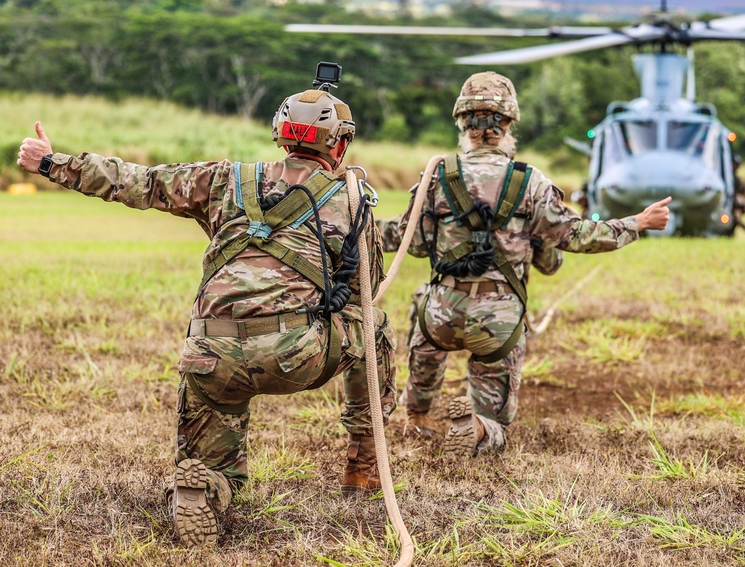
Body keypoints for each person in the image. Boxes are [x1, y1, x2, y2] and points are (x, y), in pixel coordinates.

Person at [16, 83, 397, 548]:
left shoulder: (225, 178)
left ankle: (205, 485)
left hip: (211, 355)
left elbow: (141, 182)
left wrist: (52, 163)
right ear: (339, 144)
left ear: (280, 133)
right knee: (374, 325)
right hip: (296, 354)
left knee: (215, 453)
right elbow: (366, 289)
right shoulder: (354, 199)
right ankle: (363, 462)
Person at [379, 71, 671, 458]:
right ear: (507, 124)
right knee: (495, 414)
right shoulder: (530, 181)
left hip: (442, 315)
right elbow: (574, 236)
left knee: (424, 303)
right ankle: (482, 426)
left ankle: (417, 417)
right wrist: (638, 223)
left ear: (462, 124)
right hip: (497, 321)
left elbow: (409, 243)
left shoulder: (437, 176)